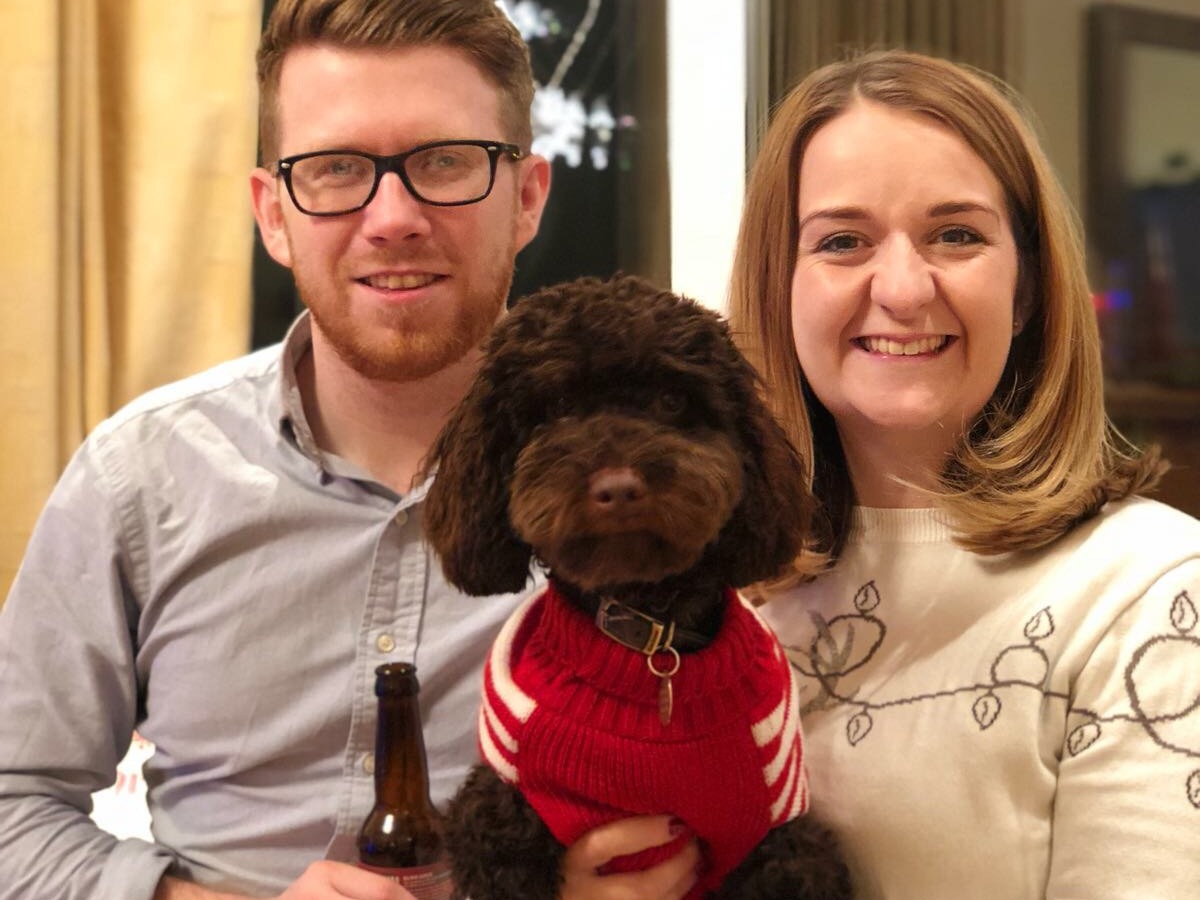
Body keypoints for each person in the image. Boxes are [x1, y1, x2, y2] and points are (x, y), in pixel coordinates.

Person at [0, 2, 701, 899]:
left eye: (446, 162)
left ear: (528, 195)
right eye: (335, 170)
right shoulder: (138, 477)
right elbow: (15, 801)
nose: (394, 216)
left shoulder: (645, 486)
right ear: (274, 213)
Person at [726, 49, 1200, 899]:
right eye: (842, 241)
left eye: (957, 235)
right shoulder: (703, 595)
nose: (903, 288)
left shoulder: (1150, 590)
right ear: (780, 288)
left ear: (1024, 290)